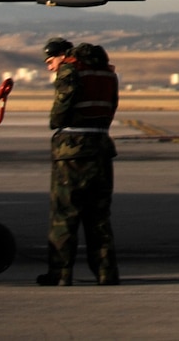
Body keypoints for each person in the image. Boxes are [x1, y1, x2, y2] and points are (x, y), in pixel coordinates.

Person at [37, 37, 121, 286]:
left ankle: (60, 273)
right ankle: (106, 273)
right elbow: (112, 106)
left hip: (72, 152)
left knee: (65, 215)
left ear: (63, 55)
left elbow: (60, 110)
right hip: (101, 149)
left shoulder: (70, 70)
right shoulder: (107, 73)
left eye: (51, 61)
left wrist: (56, 120)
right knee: (99, 217)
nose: (50, 67)